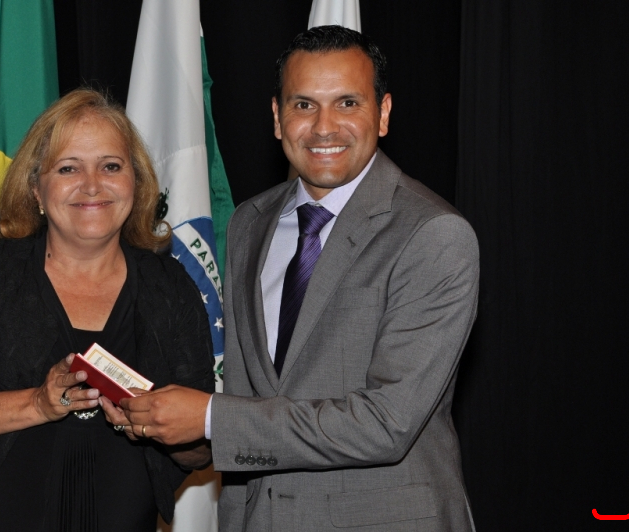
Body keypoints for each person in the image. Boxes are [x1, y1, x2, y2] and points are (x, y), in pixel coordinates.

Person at [115, 26, 480, 531]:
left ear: (384, 112)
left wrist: (210, 418)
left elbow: (386, 424)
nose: (324, 127)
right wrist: (170, 423)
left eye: (347, 103)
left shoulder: (433, 234)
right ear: (277, 117)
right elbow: (253, 400)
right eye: (304, 105)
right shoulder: (249, 223)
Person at [0, 88, 215, 532]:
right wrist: (37, 403)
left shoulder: (171, 288)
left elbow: (199, 451)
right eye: (69, 168)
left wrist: (158, 424)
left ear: (136, 182)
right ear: (36, 189)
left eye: (111, 166)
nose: (92, 184)